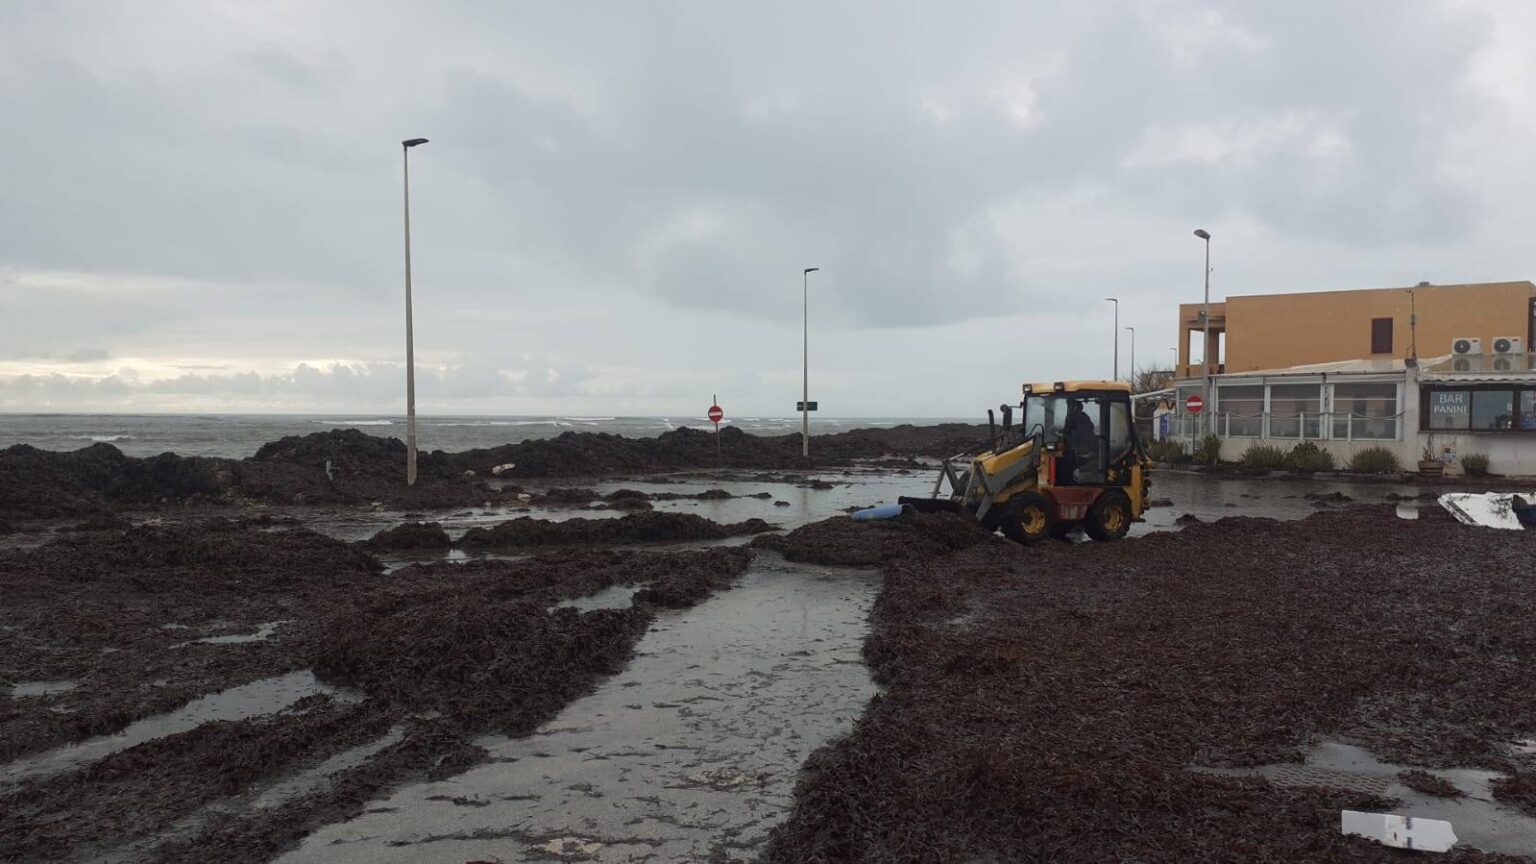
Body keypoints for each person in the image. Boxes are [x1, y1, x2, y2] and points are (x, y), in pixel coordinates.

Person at [1063, 400, 1098, 481]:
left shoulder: (1082, 420)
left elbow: (1080, 434)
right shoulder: (1071, 419)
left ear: (1077, 408)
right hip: (1074, 450)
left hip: (1083, 451)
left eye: (1071, 407)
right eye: (1069, 406)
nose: (1070, 409)